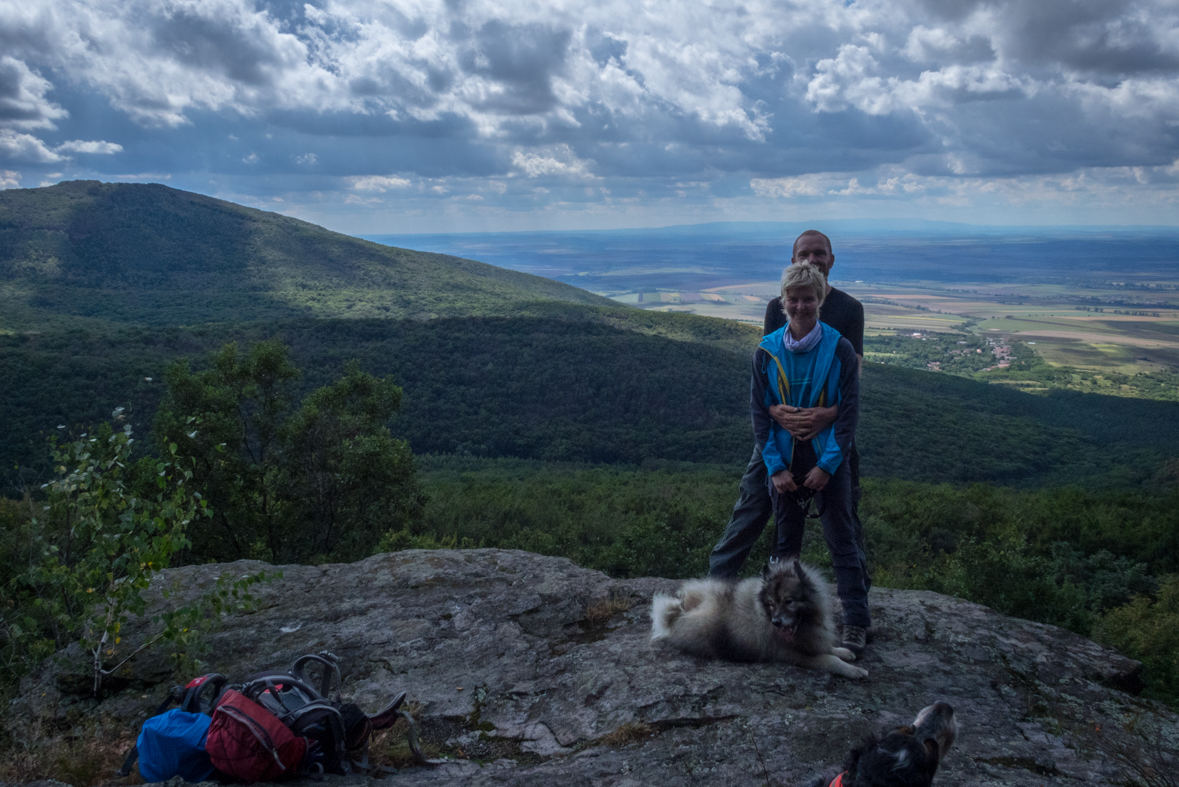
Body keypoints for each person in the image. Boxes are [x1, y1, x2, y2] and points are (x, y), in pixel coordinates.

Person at [707, 230, 870, 652]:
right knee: (759, 520)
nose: (813, 260)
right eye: (804, 254)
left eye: (819, 254)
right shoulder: (771, 325)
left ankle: (856, 618)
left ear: (831, 260)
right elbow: (765, 394)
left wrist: (823, 424)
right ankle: (722, 602)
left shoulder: (848, 315)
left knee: (842, 531)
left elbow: (851, 392)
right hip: (779, 444)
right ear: (784, 300)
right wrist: (777, 429)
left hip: (827, 444)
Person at [749, 261, 870, 655]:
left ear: (820, 301)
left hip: (826, 461)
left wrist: (827, 466)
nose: (801, 307)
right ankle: (782, 626)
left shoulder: (840, 349)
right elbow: (759, 413)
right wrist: (776, 468)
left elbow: (848, 415)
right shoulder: (766, 352)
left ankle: (855, 622)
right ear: (782, 302)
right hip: (784, 464)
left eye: (808, 300)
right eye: (793, 300)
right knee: (786, 548)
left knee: (842, 541)